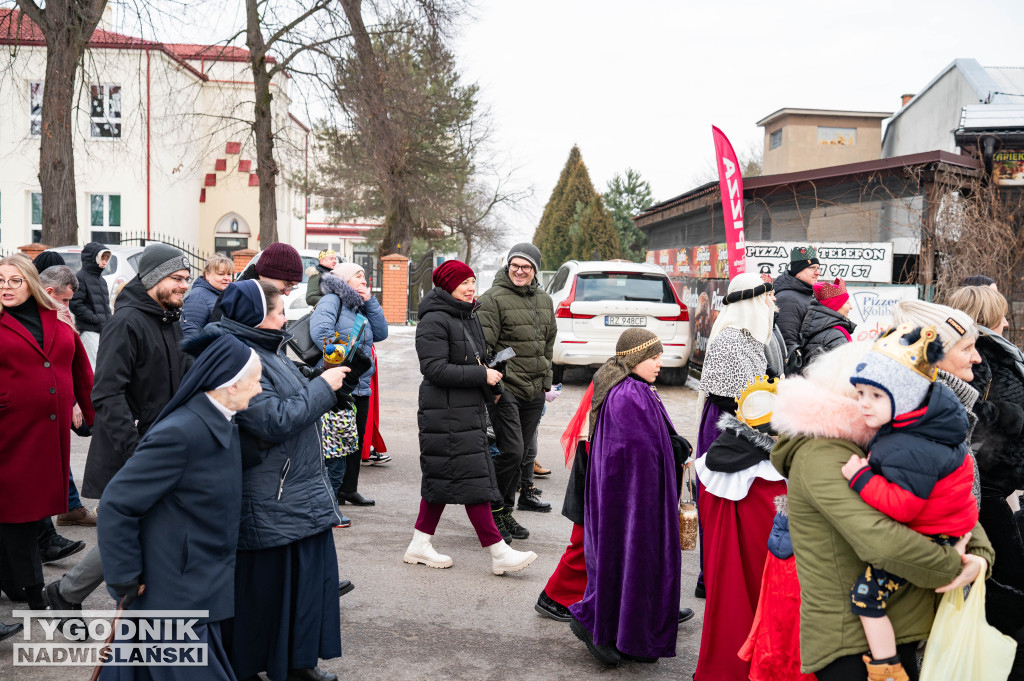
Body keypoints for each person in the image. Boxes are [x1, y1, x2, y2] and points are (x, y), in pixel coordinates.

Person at [770, 340, 994, 680]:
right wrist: (954, 563)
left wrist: (980, 554)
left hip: (898, 622)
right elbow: (881, 541)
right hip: (851, 641)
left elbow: (945, 498)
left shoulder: (883, 441)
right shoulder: (822, 453)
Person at [191, 280, 348, 681]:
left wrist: (319, 379)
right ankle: (251, 668)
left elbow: (290, 399)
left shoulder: (265, 347)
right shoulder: (235, 357)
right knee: (265, 597)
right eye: (279, 312)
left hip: (296, 488)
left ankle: (296, 662)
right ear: (256, 316)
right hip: (270, 493)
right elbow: (271, 420)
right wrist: (322, 388)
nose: (285, 319)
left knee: (304, 590)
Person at [96, 335, 262, 681]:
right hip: (174, 594)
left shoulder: (221, 417)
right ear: (230, 387)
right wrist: (123, 575)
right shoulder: (181, 433)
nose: (259, 389)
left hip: (198, 584)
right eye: (256, 381)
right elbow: (117, 504)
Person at [45, 244, 193, 616]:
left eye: (187, 280)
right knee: (136, 530)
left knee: (141, 529)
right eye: (177, 278)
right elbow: (107, 394)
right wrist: (136, 450)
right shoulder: (126, 323)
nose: (184, 286)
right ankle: (71, 596)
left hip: (166, 446)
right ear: (154, 279)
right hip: (134, 450)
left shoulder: (171, 319)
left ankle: (65, 594)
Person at [839, 326, 979, 681]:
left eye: (875, 395)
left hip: (933, 535)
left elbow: (903, 507)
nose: (864, 404)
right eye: (860, 393)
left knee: (866, 598)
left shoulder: (908, 446)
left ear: (904, 397)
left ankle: (887, 669)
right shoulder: (919, 428)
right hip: (950, 526)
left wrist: (861, 478)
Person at [404, 260, 538, 575]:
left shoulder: (468, 314)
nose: (470, 287)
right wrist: (481, 373)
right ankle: (498, 552)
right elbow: (434, 369)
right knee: (473, 479)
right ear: (447, 284)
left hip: (465, 408)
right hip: (445, 412)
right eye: (464, 282)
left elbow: (473, 357)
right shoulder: (434, 320)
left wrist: (491, 372)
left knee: (444, 479)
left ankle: (420, 545)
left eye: (472, 281)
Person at [567, 329, 681, 667]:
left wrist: (671, 445)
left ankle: (634, 635)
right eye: (653, 357)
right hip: (632, 500)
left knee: (636, 564)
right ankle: (594, 622)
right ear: (634, 359)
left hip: (636, 497)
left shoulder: (637, 389)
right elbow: (632, 455)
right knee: (627, 559)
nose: (661, 362)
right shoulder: (628, 395)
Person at [0, 256, 94, 610]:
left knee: (29, 506)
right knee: (18, 509)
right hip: (10, 430)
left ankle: (12, 581)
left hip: (48, 431)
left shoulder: (59, 319)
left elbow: (80, 368)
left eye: (14, 280)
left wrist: (90, 412)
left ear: (32, 284)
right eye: (1, 280)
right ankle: (32, 587)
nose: (6, 287)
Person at [945, 285, 1024, 679]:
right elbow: (974, 415)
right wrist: (1007, 416)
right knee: (1004, 581)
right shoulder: (988, 357)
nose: (1007, 322)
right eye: (1001, 315)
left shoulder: (986, 353)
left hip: (987, 485)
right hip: (985, 487)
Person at [693, 376, 786, 681]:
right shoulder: (775, 476)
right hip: (767, 562)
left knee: (727, 606)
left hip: (722, 565)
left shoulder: (714, 460)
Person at [694, 272, 775, 597]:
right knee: (721, 502)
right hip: (726, 426)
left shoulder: (749, 337)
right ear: (751, 302)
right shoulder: (730, 339)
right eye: (767, 297)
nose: (772, 303)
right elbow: (733, 396)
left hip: (741, 423)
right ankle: (712, 576)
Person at [477, 243, 556, 541]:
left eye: (526, 266)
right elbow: (483, 347)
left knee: (521, 455)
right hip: (505, 387)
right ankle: (490, 510)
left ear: (535, 269)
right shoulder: (493, 299)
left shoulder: (545, 300)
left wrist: (546, 380)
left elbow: (549, 343)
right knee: (511, 451)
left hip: (534, 390)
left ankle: (504, 513)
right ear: (508, 266)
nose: (520, 271)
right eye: (515, 266)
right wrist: (494, 389)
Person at [311, 261, 389, 506]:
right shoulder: (331, 301)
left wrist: (371, 302)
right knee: (335, 440)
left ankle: (349, 489)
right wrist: (345, 364)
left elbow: (381, 333)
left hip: (360, 384)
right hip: (338, 381)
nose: (364, 279)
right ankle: (330, 490)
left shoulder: (360, 306)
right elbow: (321, 333)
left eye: (365, 276)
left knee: (354, 438)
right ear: (344, 280)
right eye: (358, 275)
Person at [70, 241, 112, 367]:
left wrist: (109, 322)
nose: (104, 262)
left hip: (103, 332)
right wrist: (96, 319)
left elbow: (105, 305)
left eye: (106, 259)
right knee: (92, 368)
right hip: (89, 332)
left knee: (103, 366)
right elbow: (75, 303)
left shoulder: (102, 281)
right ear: (93, 258)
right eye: (102, 258)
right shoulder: (80, 278)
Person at [773, 245, 821, 357]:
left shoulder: (805, 293)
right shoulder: (788, 299)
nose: (817, 272)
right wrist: (798, 367)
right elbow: (787, 342)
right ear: (798, 272)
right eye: (812, 268)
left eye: (818, 268)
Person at [799, 277, 855, 361]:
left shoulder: (820, 328)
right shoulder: (835, 335)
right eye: (847, 302)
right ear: (835, 306)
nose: (851, 307)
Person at [182, 253, 235, 339]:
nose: (227, 278)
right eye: (221, 274)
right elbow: (191, 335)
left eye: (229, 274)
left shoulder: (226, 294)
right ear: (207, 275)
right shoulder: (198, 297)